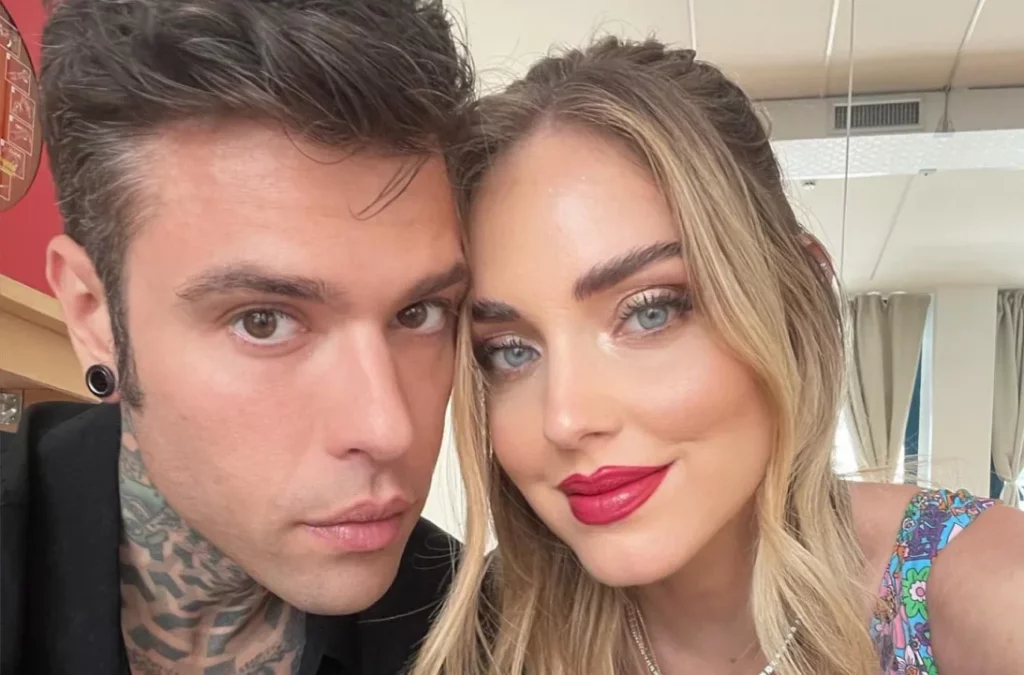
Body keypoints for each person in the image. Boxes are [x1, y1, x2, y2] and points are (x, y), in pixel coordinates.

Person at [411, 37, 1024, 675]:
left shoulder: (982, 590)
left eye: (650, 312)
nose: (565, 419)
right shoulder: (487, 631)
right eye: (510, 350)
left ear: (796, 300)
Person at [0, 1, 474, 673]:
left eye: (420, 312)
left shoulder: (481, 629)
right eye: (264, 321)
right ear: (93, 315)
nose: (387, 428)